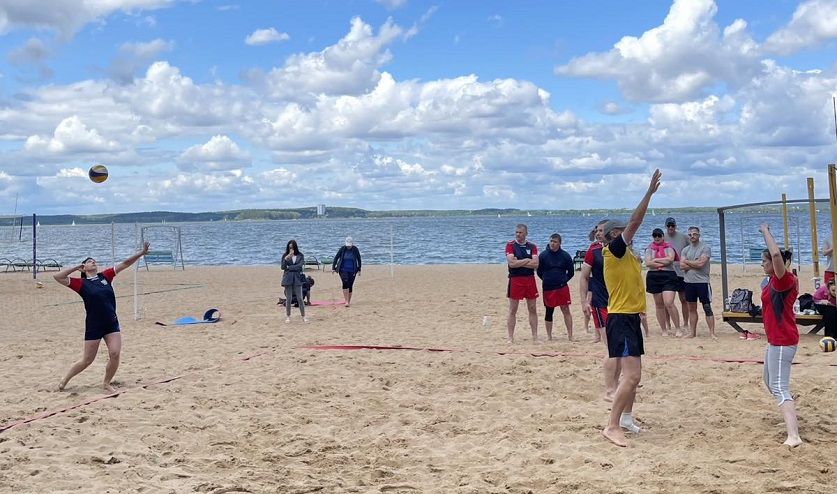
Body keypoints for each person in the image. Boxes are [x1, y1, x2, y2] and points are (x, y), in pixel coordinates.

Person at [601, 169, 661, 448]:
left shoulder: (627, 255)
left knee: (634, 377)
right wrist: (649, 193)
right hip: (621, 318)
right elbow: (636, 221)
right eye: (622, 230)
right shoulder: (613, 250)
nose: (629, 231)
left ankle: (625, 419)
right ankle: (611, 426)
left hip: (630, 317)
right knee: (633, 375)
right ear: (614, 234)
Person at [53, 241, 151, 392]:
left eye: (94, 261)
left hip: (111, 323)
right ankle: (65, 380)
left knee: (115, 353)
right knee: (87, 360)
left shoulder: (105, 276)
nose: (93, 262)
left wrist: (142, 253)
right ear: (84, 267)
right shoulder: (81, 283)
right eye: (89, 261)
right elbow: (57, 277)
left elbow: (125, 263)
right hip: (94, 325)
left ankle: (106, 383)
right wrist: (76, 267)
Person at [758, 224, 802, 448]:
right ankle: (789, 416)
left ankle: (794, 435)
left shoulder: (784, 280)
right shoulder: (771, 281)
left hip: (784, 340)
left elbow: (776, 254)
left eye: (764, 260)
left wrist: (766, 231)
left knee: (779, 386)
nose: (762, 263)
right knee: (769, 380)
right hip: (775, 340)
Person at [579, 219, 622, 402]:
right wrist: (584, 302)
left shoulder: (620, 248)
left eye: (601, 230)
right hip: (601, 303)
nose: (598, 233)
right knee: (611, 347)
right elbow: (584, 277)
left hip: (620, 303)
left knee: (619, 348)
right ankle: (610, 390)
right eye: (596, 230)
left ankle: (616, 384)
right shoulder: (593, 250)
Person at [536, 233, 574, 341]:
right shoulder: (543, 255)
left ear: (559, 243)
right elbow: (539, 271)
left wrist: (563, 280)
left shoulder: (565, 256)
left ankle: (570, 335)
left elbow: (571, 272)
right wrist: (547, 279)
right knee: (549, 311)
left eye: (555, 242)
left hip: (562, 286)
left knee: (565, 309)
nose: (552, 243)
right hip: (548, 287)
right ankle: (549, 336)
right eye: (551, 241)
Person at [680, 226, 716, 339]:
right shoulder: (685, 250)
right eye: (690, 234)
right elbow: (681, 266)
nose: (692, 236)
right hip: (689, 282)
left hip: (702, 282)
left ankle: (712, 333)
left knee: (707, 307)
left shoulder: (705, 248)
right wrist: (695, 262)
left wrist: (688, 262)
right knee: (692, 308)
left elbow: (701, 264)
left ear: (699, 235)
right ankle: (692, 332)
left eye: (694, 234)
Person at [506, 223, 539, 344]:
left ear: (526, 233)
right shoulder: (510, 245)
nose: (518, 234)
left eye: (520, 232)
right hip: (516, 279)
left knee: (532, 308)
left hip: (529, 279)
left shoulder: (532, 246)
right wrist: (526, 260)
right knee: (513, 309)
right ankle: (510, 338)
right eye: (516, 232)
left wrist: (519, 262)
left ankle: (535, 337)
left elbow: (535, 264)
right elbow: (512, 264)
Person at [645, 228, 681, 337]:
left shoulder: (669, 247)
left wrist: (655, 260)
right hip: (654, 276)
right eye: (654, 236)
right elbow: (648, 263)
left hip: (668, 275)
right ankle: (664, 329)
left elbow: (670, 259)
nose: (657, 238)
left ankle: (678, 328)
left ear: (662, 236)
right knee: (659, 304)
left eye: (659, 235)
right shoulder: (649, 248)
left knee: (668, 302)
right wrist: (662, 262)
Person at [664, 217, 690, 334]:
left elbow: (691, 247)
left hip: (681, 273)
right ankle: (668, 323)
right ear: (666, 226)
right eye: (668, 226)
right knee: (667, 301)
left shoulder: (683, 237)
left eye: (672, 225)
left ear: (675, 226)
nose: (670, 228)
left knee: (683, 299)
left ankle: (685, 323)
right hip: (668, 271)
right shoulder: (662, 236)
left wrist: (687, 261)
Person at [281, 239, 308, 323]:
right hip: (288, 278)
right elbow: (282, 267)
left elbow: (299, 266)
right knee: (288, 298)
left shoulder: (300, 255)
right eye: (290, 248)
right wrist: (286, 258)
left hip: (297, 278)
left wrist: (289, 267)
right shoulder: (285, 256)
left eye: (292, 248)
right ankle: (288, 316)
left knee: (300, 298)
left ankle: (303, 316)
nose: (291, 249)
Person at [332, 236, 362, 307]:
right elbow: (336, 258)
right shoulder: (342, 249)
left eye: (349, 245)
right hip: (343, 269)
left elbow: (359, 259)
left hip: (352, 270)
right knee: (345, 282)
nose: (348, 247)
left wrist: (359, 269)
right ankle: (346, 300)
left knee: (350, 285)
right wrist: (333, 268)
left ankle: (348, 301)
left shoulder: (355, 249)